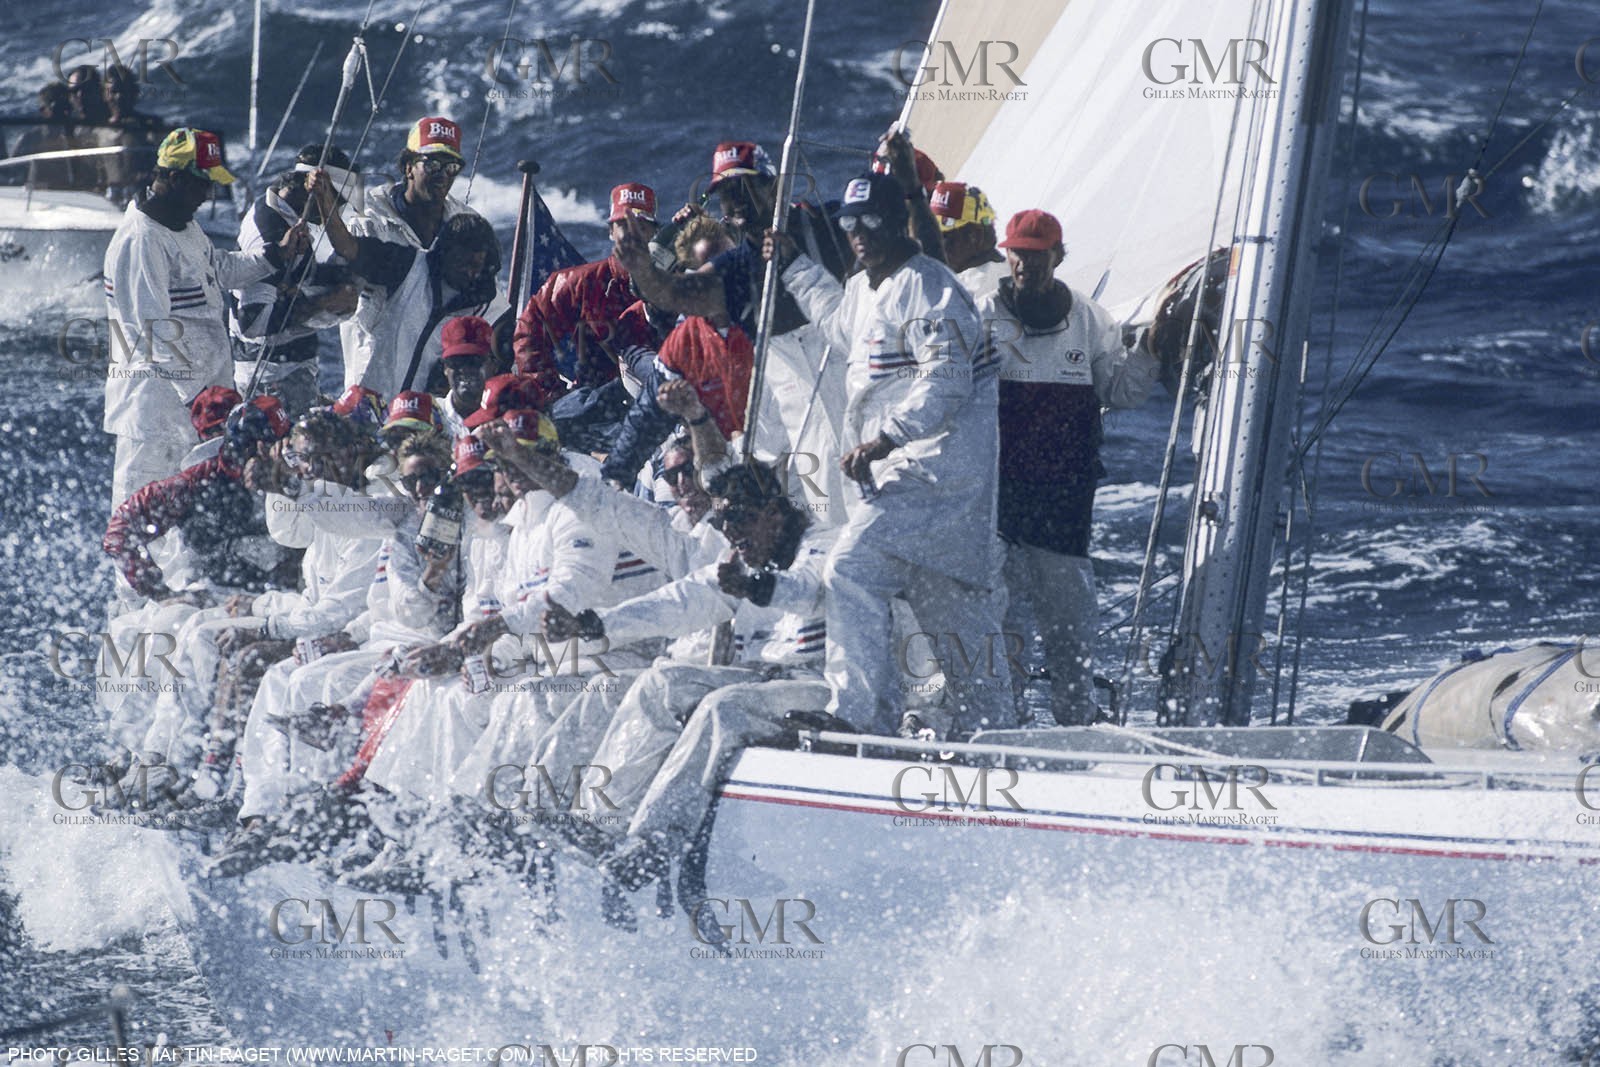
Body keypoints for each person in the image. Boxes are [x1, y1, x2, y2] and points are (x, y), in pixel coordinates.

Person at [769, 171, 1013, 739]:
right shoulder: (863, 286)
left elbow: (947, 379)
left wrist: (888, 438)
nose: (860, 234)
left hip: (935, 479)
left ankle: (855, 715)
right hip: (906, 493)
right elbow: (838, 326)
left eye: (872, 220)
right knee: (960, 636)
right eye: (849, 224)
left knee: (850, 569)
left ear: (902, 220)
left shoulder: (933, 287)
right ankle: (998, 744)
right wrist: (793, 266)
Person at [982, 209, 1159, 724]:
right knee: (1001, 616)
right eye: (1019, 253)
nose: (1027, 264)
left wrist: (1151, 348)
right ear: (1005, 253)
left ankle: (1076, 718)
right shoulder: (978, 315)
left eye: (1039, 255)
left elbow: (1120, 392)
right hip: (997, 498)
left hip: (1063, 501)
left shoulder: (1090, 319)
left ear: (1059, 257)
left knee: (1069, 621)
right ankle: (1003, 717)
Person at [613, 141, 852, 520]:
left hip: (850, 374)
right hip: (787, 421)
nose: (735, 202)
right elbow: (668, 294)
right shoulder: (732, 273)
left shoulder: (823, 225)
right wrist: (642, 269)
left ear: (774, 187)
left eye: (744, 188)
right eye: (724, 194)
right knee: (827, 510)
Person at [103, 127, 309, 510]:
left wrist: (274, 256)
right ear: (174, 178)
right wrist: (200, 403)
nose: (208, 196)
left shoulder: (183, 224)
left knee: (190, 519)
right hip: (157, 414)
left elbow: (220, 268)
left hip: (199, 410)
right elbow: (148, 335)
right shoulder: (142, 239)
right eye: (203, 185)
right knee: (144, 513)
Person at [232, 147, 364, 416]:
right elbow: (254, 322)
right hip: (272, 379)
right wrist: (326, 302)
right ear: (311, 187)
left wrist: (342, 277)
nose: (335, 210)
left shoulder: (284, 216)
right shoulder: (270, 234)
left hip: (291, 370)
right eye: (334, 200)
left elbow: (298, 274)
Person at [512, 182, 661, 406]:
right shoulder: (580, 282)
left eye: (641, 226)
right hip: (599, 406)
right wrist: (548, 389)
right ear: (611, 232)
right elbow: (529, 329)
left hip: (663, 401)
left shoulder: (673, 283)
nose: (632, 234)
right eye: (623, 225)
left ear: (654, 233)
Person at [929, 181, 1006, 302]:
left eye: (944, 236)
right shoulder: (1008, 274)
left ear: (975, 235)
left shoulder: (979, 291)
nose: (935, 244)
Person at [4, 84, 78, 189]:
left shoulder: (80, 137)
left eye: (67, 106)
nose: (65, 112)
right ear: (44, 111)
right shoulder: (29, 140)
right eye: (59, 107)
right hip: (37, 199)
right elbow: (11, 176)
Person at [436, 316, 493, 437]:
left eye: (474, 361)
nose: (465, 369)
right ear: (445, 368)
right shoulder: (429, 416)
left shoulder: (510, 417)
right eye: (456, 361)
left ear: (492, 365)